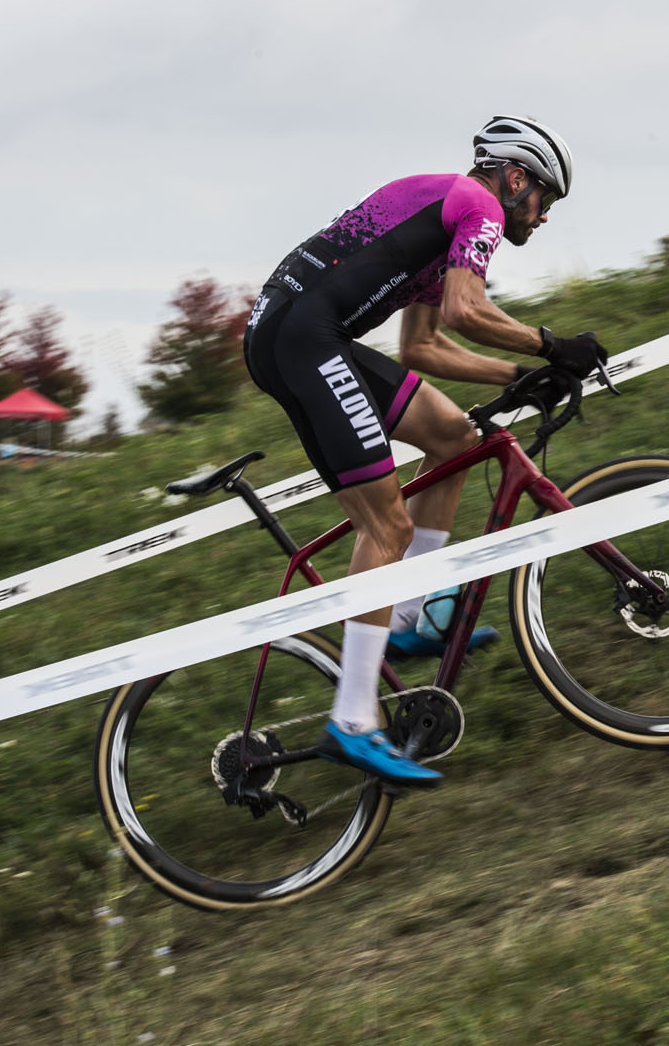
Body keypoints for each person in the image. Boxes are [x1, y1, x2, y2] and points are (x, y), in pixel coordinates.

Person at [243, 115, 609, 784]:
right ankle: (353, 718)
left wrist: (519, 376)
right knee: (386, 524)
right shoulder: (478, 206)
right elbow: (468, 313)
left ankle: (410, 615)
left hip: (298, 331)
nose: (544, 216)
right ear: (516, 177)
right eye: (546, 200)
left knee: (451, 436)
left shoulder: (446, 210)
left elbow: (424, 345)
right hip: (304, 338)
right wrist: (552, 345)